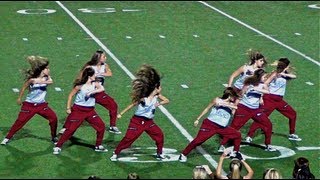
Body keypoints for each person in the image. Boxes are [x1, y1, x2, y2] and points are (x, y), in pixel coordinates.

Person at [109, 64, 169, 161]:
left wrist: (159, 104)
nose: (161, 89)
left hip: (149, 122)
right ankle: (116, 153)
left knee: (159, 135)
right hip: (137, 121)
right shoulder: (144, 99)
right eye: (160, 87)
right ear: (156, 88)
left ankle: (159, 153)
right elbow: (132, 105)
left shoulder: (157, 96)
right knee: (128, 139)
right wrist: (121, 113)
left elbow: (167, 100)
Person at [59, 50, 120, 135]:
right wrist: (79, 87)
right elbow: (81, 76)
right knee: (77, 109)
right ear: (98, 58)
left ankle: (112, 126)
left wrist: (100, 73)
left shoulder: (104, 65)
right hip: (88, 91)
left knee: (113, 105)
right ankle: (65, 127)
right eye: (103, 57)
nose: (105, 58)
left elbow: (109, 73)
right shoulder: (89, 67)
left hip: (98, 92)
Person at [1, 56, 58, 145]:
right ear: (42, 70)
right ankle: (7, 137)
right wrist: (19, 98)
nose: (48, 70)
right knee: (20, 122)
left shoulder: (46, 78)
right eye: (47, 69)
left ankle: (54, 137)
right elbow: (24, 87)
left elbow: (51, 82)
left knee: (53, 118)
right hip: (29, 105)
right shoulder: (32, 80)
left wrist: (39, 81)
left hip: (41, 105)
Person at [53, 67, 107, 155]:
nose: (95, 76)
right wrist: (68, 108)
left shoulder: (95, 83)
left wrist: (91, 92)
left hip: (90, 110)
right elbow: (70, 95)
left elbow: (102, 89)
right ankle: (58, 146)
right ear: (90, 76)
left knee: (101, 126)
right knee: (71, 129)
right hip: (79, 110)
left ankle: (98, 145)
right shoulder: (80, 86)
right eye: (94, 74)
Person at [219, 69, 276, 152]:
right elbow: (241, 95)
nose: (265, 78)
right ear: (258, 77)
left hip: (255, 109)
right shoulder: (248, 83)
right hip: (244, 108)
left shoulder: (263, 84)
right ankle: (222, 145)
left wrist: (256, 90)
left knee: (268, 125)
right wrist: (235, 105)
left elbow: (267, 92)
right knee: (234, 127)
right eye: (264, 76)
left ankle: (268, 144)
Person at [178, 87, 241, 162]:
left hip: (222, 127)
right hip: (210, 125)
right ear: (229, 96)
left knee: (237, 135)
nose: (235, 99)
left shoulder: (232, 104)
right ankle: (183, 154)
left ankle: (235, 153)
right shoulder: (217, 100)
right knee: (198, 141)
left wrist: (227, 105)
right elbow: (207, 108)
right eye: (234, 97)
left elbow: (235, 108)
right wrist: (198, 119)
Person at [246, 58, 301, 143]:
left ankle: (292, 133)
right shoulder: (275, 73)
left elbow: (295, 76)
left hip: (279, 100)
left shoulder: (284, 74)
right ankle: (249, 136)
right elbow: (265, 83)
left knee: (293, 114)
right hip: (270, 98)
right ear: (286, 66)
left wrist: (284, 74)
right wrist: (264, 94)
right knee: (262, 117)